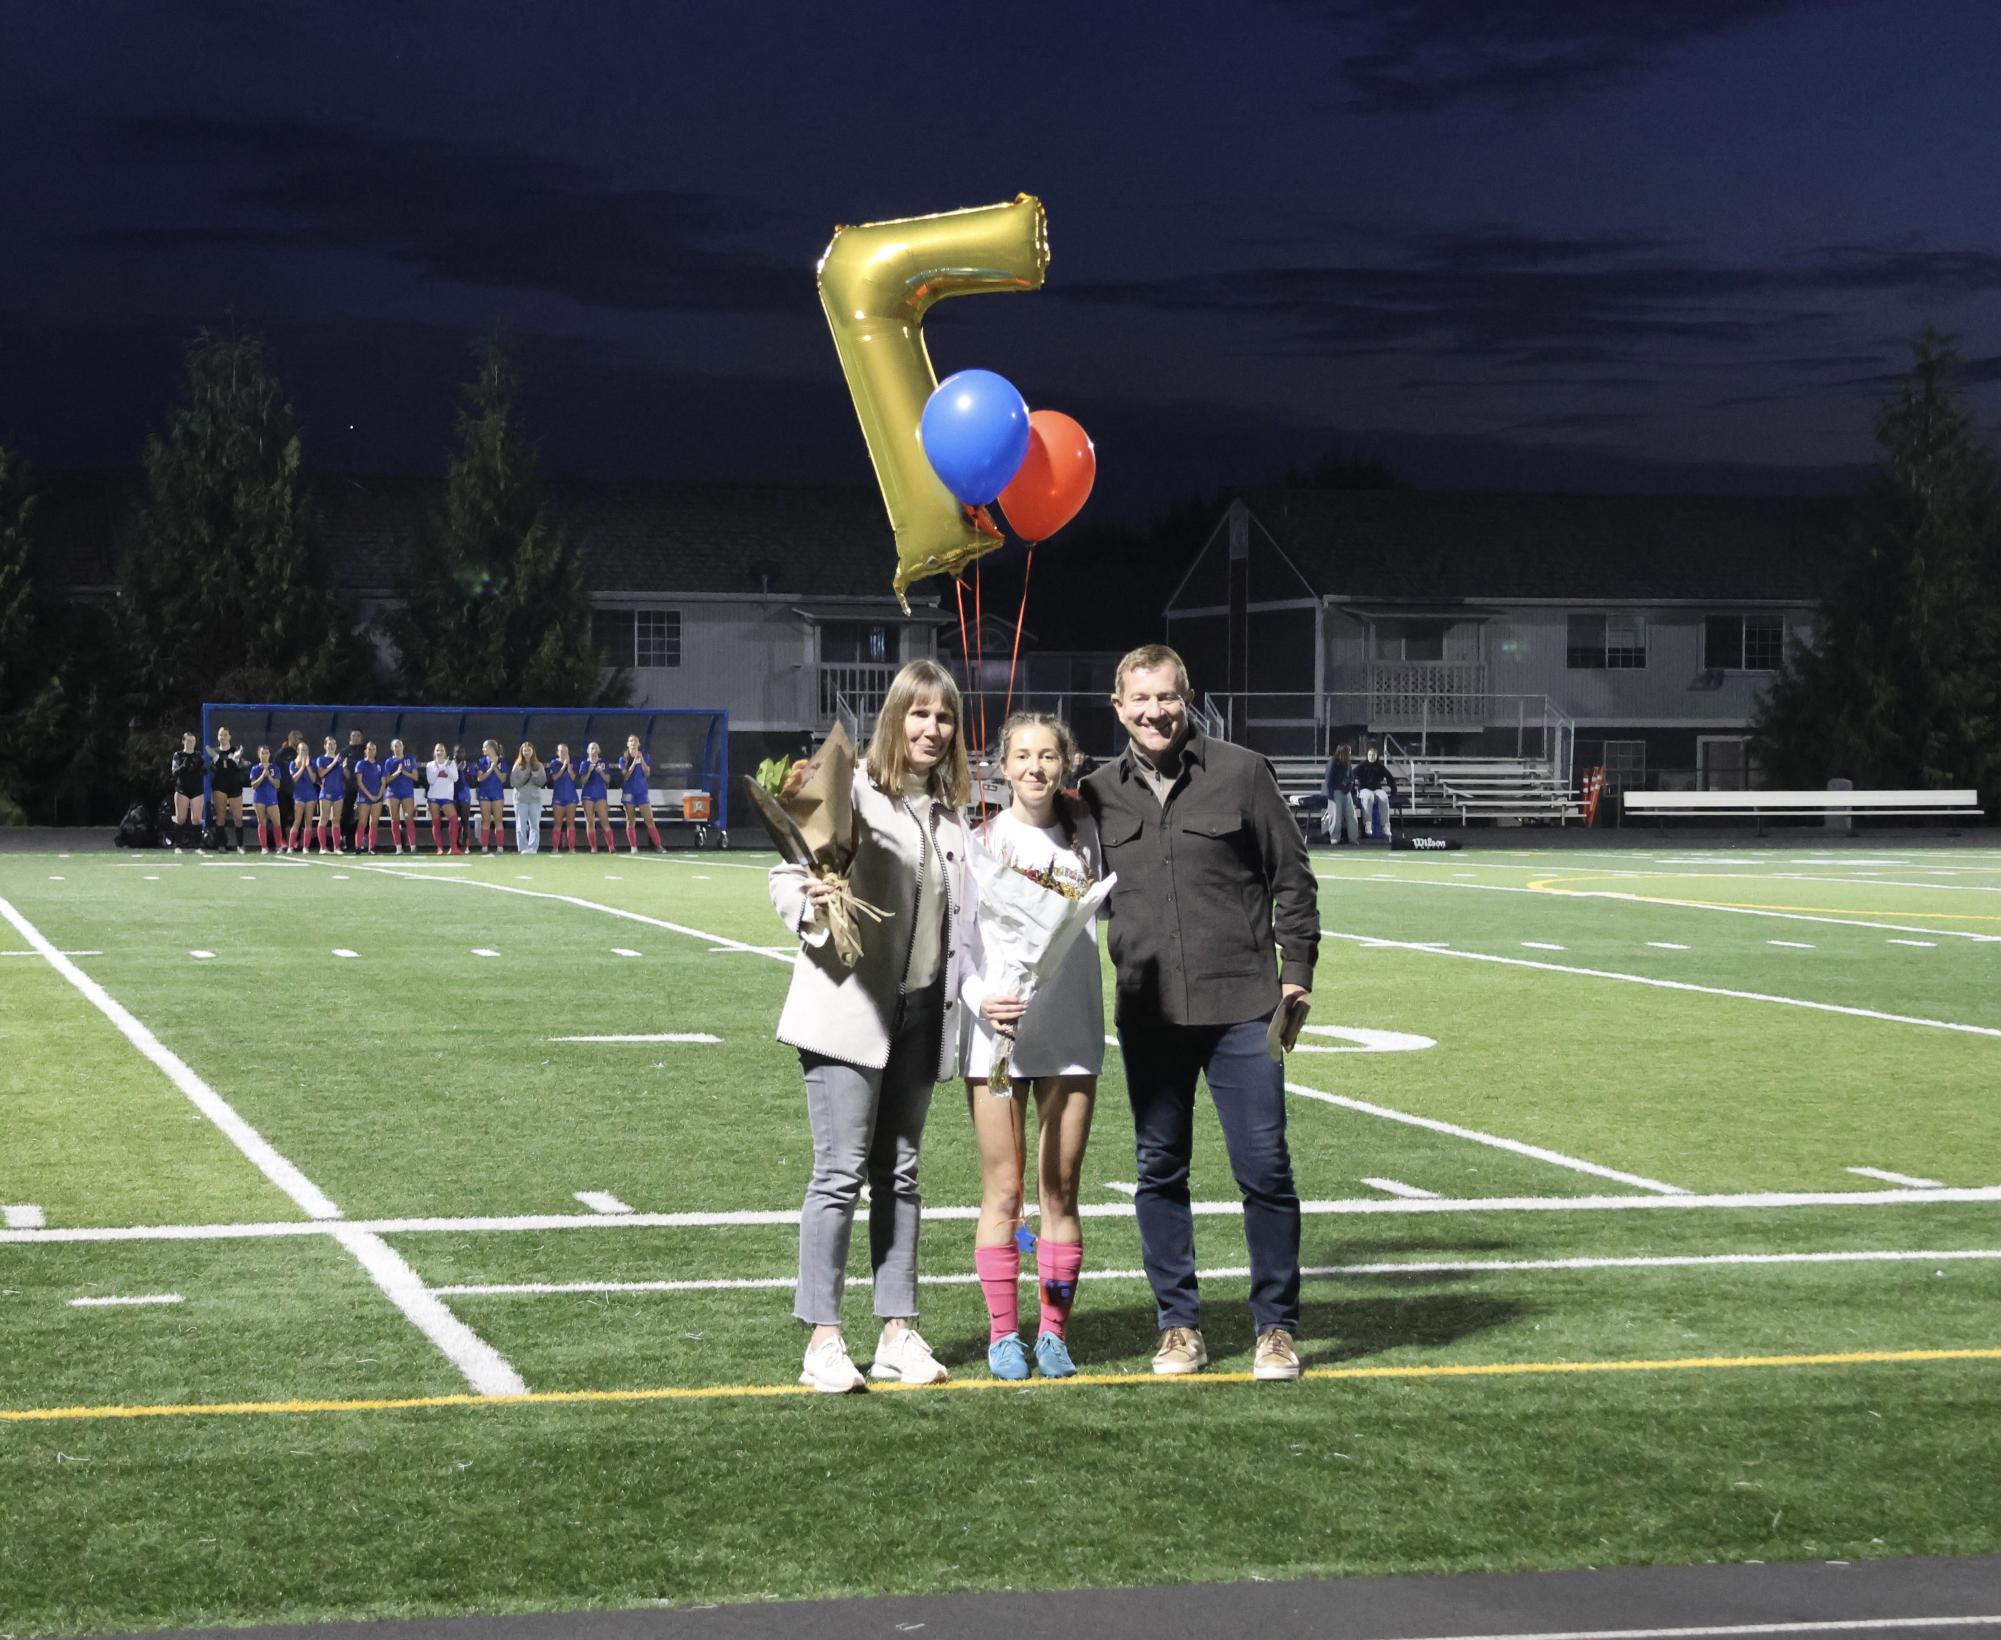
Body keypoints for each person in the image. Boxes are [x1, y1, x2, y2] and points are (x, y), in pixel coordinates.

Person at [1081, 643, 1319, 1383]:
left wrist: (1296, 972)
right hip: (1147, 1013)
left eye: (1166, 698)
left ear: (1186, 699)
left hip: (1242, 1005)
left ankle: (1274, 1328)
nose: (1154, 712)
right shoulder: (1092, 793)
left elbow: (1292, 879)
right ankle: (1178, 1326)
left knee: (1265, 1171)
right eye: (1139, 700)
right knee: (1159, 1171)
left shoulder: (1243, 773)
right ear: (1117, 708)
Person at [767, 658, 975, 1394]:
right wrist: (813, 900)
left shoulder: (951, 815)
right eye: (919, 714)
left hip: (921, 1012)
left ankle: (896, 1332)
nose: (931, 728)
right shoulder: (853, 789)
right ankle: (823, 1340)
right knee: (839, 1174)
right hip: (847, 1010)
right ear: (895, 720)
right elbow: (786, 874)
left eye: (944, 717)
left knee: (904, 1174)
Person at [961, 712, 1103, 1382]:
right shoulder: (979, 841)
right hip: (996, 1031)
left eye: (1048, 755)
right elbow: (957, 948)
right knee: (1004, 1192)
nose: (1035, 767)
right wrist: (978, 1000)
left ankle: (1051, 1333)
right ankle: (1001, 1335)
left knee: (1061, 1189)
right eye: (1022, 755)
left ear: (1066, 763)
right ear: (1002, 765)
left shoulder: (1090, 840)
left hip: (1071, 1029)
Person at [619, 734, 665, 853]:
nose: (633, 743)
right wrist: (634, 762)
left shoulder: (645, 756)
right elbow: (626, 776)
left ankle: (659, 845)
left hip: (642, 792)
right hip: (629, 792)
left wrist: (642, 760)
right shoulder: (623, 758)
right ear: (627, 744)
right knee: (630, 820)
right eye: (631, 741)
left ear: (638, 744)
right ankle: (633, 846)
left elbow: (647, 773)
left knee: (649, 820)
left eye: (635, 741)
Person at [210, 726, 247, 852]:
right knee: (221, 816)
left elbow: (242, 765)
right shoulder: (214, 752)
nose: (223, 737)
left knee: (238, 817)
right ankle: (221, 844)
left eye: (225, 734)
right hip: (220, 786)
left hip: (235, 786)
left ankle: (240, 845)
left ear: (229, 736)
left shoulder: (236, 750)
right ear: (218, 737)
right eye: (221, 735)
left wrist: (238, 760)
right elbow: (212, 768)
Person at [169, 732, 207, 851]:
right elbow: (174, 772)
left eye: (193, 741)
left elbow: (205, 771)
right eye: (188, 741)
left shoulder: (198, 755)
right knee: (180, 818)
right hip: (182, 790)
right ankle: (178, 845)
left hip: (196, 790)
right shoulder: (178, 755)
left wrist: (202, 767)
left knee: (196, 818)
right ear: (183, 741)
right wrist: (184, 766)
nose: (191, 743)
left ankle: (198, 846)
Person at [509, 741, 547, 855]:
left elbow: (542, 782)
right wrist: (525, 776)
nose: (526, 752)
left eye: (529, 750)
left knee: (534, 825)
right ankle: (523, 847)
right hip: (521, 799)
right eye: (524, 750)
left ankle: (533, 848)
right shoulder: (517, 765)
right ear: (521, 752)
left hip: (534, 799)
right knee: (521, 824)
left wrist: (535, 777)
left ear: (533, 751)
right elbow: (513, 782)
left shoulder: (538, 765)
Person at [1353, 743, 1396, 841]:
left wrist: (1394, 790)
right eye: (1369, 755)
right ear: (1367, 755)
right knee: (1369, 798)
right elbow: (1352, 776)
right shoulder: (1362, 766)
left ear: (1376, 756)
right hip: (1364, 789)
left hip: (1377, 789)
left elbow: (1389, 777)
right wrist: (1352, 791)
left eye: (1373, 755)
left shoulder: (1379, 766)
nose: (1371, 757)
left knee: (1384, 797)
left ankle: (1386, 825)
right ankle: (1368, 823)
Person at [424, 743, 461, 855]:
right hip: (433, 797)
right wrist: (438, 768)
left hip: (447, 797)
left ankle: (453, 847)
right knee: (436, 822)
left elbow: (455, 778)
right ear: (434, 752)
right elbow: (431, 781)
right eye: (437, 750)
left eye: (442, 750)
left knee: (454, 820)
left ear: (445, 752)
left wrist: (445, 768)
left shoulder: (451, 763)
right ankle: (439, 848)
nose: (439, 752)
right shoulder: (430, 765)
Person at [472, 739, 507, 855]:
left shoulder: (502, 761)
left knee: (498, 820)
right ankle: (484, 847)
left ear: (491, 749)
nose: (483, 749)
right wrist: (491, 768)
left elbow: (503, 779)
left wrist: (495, 766)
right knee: (486, 820)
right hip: (484, 793)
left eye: (484, 747)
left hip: (497, 793)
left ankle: (500, 848)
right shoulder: (482, 761)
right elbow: (480, 778)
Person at [313, 735, 347, 855]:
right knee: (324, 818)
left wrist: (345, 766)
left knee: (336, 819)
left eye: (334, 744)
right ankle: (322, 847)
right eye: (329, 744)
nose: (332, 746)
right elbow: (321, 773)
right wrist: (334, 763)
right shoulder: (321, 759)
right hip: (326, 791)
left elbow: (346, 776)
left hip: (338, 791)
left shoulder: (340, 759)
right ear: (325, 746)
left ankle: (337, 847)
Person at [578, 741, 614, 853]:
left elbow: (608, 780)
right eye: (591, 748)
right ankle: (593, 847)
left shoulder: (603, 763)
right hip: (588, 795)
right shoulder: (584, 763)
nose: (593, 750)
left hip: (600, 795)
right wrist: (589, 772)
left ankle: (611, 846)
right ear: (588, 751)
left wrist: (601, 772)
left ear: (598, 750)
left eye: (595, 748)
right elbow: (582, 780)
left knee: (604, 821)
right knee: (590, 821)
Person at [384, 738, 418, 854]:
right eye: (395, 746)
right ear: (392, 748)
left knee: (409, 817)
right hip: (393, 793)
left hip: (407, 792)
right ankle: (398, 847)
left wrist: (404, 772)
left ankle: (413, 846)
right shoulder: (389, 762)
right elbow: (387, 779)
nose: (398, 748)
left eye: (399, 745)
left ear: (403, 747)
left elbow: (415, 777)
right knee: (395, 819)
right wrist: (397, 773)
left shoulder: (410, 759)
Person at [286, 737, 319, 854]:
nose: (304, 752)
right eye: (302, 750)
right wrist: (302, 767)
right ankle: (290, 846)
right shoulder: (292, 764)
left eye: (306, 750)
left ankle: (306, 847)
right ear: (298, 751)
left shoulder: (312, 763)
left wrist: (308, 766)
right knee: (297, 821)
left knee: (308, 822)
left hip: (311, 795)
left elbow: (314, 779)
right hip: (299, 796)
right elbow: (294, 779)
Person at [248, 744, 282, 853]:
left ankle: (278, 846)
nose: (265, 755)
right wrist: (262, 775)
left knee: (276, 822)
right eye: (262, 753)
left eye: (266, 753)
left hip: (271, 798)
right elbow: (253, 785)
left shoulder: (274, 767)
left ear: (269, 754)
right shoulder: (255, 769)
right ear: (259, 754)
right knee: (262, 822)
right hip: (259, 798)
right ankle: (264, 847)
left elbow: (277, 785)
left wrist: (269, 776)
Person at [1322, 742, 1358, 846]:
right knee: (1335, 816)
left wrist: (1349, 787)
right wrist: (1330, 795)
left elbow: (1351, 777)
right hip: (1335, 791)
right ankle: (1334, 838)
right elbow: (1328, 779)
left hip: (1346, 792)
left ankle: (1353, 838)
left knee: (1351, 815)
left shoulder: (1347, 763)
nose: (1350, 753)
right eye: (1349, 751)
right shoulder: (1333, 762)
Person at [353, 740, 385, 854]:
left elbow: (383, 782)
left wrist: (379, 795)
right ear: (365, 751)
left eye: (373, 749)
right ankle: (358, 846)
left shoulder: (380, 765)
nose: (371, 751)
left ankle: (371, 848)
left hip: (377, 797)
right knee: (362, 822)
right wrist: (370, 796)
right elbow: (359, 782)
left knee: (374, 822)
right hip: (364, 797)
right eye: (369, 749)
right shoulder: (361, 764)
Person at [547, 742, 579, 853]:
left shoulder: (573, 763)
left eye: (565, 751)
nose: (564, 753)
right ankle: (555, 848)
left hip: (571, 796)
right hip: (558, 797)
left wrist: (568, 765)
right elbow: (555, 778)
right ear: (557, 752)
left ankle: (572, 848)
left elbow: (573, 777)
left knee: (571, 823)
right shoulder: (554, 763)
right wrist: (563, 767)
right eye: (561, 751)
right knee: (557, 823)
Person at [339, 728, 366, 840]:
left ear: (362, 737)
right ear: (350, 737)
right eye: (353, 735)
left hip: (364, 789)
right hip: (348, 789)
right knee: (346, 813)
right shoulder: (344, 751)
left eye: (358, 735)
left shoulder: (366, 750)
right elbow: (340, 769)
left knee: (362, 816)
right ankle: (343, 838)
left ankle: (360, 840)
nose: (356, 737)